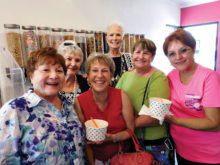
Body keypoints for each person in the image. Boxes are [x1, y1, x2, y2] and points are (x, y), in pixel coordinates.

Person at [0, 47, 85, 164]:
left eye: (59, 71)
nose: (54, 75)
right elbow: (5, 159)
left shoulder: (69, 106)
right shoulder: (15, 109)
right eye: (46, 70)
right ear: (31, 76)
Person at [163, 28, 220, 165]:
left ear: (194, 49)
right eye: (172, 54)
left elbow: (214, 123)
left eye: (183, 50)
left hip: (208, 154)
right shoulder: (171, 76)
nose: (178, 57)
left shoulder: (209, 77)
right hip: (181, 150)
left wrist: (174, 120)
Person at [116, 38, 171, 164]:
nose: (141, 56)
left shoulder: (158, 77)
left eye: (146, 53)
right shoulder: (127, 75)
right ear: (132, 54)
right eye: (137, 52)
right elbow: (114, 100)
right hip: (129, 139)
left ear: (152, 57)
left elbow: (157, 114)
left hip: (152, 142)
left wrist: (126, 125)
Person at [74, 54, 134, 164]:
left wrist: (112, 137)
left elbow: (130, 131)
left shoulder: (122, 96)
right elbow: (84, 141)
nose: (100, 75)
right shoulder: (79, 101)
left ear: (111, 75)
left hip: (123, 158)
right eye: (95, 70)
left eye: (105, 71)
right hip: (95, 160)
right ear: (87, 75)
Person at [105, 22, 133, 87]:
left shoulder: (131, 58)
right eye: (111, 35)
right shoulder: (99, 60)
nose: (114, 38)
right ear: (106, 39)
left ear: (123, 38)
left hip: (127, 96)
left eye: (118, 35)